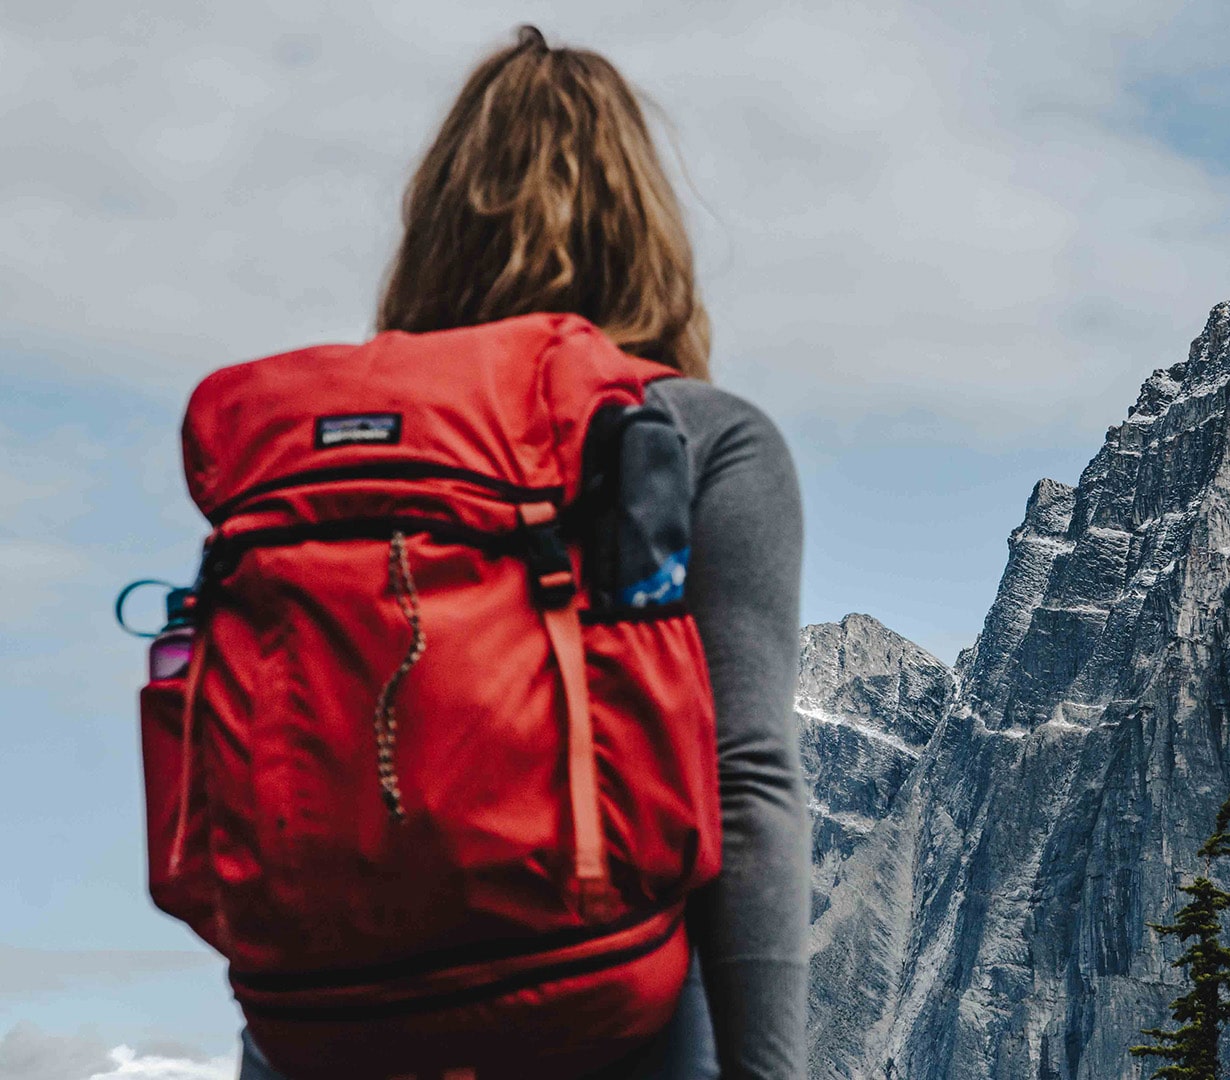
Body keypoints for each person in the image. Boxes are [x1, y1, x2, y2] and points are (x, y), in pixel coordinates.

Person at [232, 25, 809, 1080]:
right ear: (645, 227)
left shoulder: (317, 451)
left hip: (323, 1023)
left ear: (433, 223)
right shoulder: (695, 433)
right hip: (606, 1018)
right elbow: (746, 784)